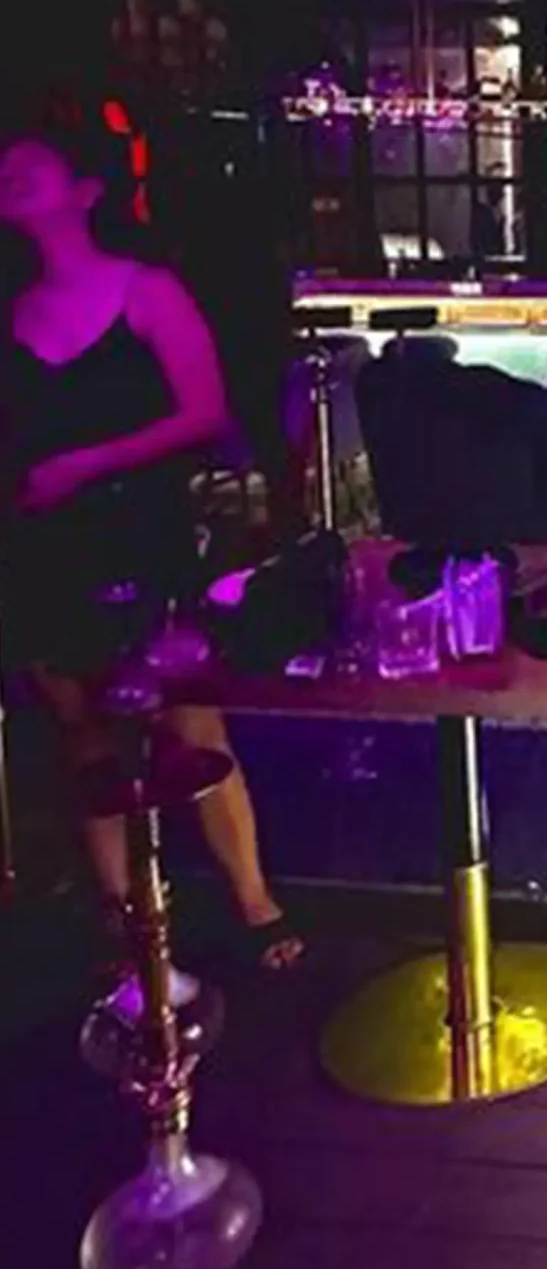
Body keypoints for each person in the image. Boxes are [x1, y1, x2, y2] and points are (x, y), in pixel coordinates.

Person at [0, 127, 304, 976]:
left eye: (30, 166)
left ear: (85, 191)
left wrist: (85, 464)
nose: (10, 175)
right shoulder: (12, 308)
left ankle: (254, 903)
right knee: (84, 733)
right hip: (48, 542)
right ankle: (127, 929)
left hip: (143, 529)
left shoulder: (145, 290)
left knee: (190, 720)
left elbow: (204, 410)